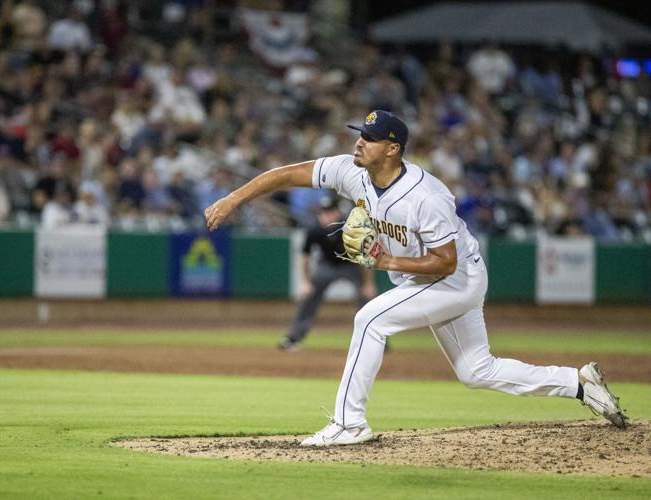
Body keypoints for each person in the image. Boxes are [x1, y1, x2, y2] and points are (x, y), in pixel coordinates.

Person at [205, 110, 627, 447]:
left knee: (370, 320)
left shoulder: (427, 196)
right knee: (476, 371)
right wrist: (232, 198)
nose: (359, 142)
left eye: (369, 138)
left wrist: (385, 260)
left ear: (393, 148)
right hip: (428, 279)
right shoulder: (353, 172)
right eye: (360, 134)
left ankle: (350, 424)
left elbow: (445, 262)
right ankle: (576, 382)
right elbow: (286, 174)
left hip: (455, 279)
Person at [278, 195, 377, 352]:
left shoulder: (351, 226)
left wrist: (369, 284)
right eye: (323, 213)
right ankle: (294, 338)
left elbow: (365, 256)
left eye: (330, 212)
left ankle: (375, 341)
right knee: (309, 296)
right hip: (327, 265)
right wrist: (307, 282)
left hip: (352, 265)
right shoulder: (314, 229)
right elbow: (305, 257)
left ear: (338, 213)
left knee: (366, 298)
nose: (326, 216)